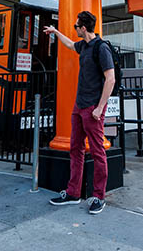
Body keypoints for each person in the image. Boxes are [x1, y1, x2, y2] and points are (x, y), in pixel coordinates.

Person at [44, 11, 115, 215]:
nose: (74, 29)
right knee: (75, 149)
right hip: (79, 106)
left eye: (76, 26)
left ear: (83, 28)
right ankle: (73, 193)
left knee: (97, 151)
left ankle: (99, 196)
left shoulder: (101, 48)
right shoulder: (83, 46)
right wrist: (56, 31)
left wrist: (100, 108)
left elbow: (110, 79)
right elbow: (69, 44)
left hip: (93, 108)